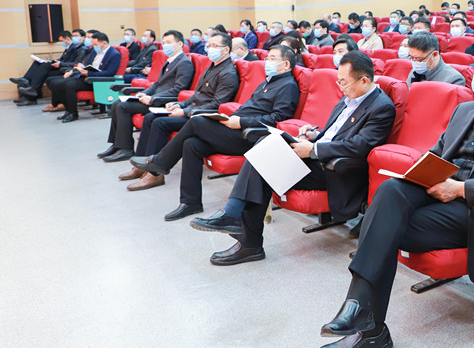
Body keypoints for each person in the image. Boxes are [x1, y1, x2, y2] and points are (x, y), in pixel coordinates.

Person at [317, 42, 474, 348]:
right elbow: (437, 154)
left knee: (381, 227)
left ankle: (364, 319)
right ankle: (363, 317)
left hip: (473, 210)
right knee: (390, 190)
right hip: (437, 192)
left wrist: (461, 189)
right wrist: (419, 175)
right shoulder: (465, 110)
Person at [190, 51, 397, 265]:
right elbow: (335, 133)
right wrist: (315, 135)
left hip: (335, 170)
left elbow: (359, 146)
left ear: (364, 80)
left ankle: (243, 232)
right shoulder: (349, 98)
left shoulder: (381, 107)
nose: (340, 86)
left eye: (344, 82)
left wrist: (314, 149)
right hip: (317, 158)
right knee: (264, 150)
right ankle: (242, 231)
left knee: (263, 162)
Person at [130, 45, 299, 220]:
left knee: (196, 121)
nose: (267, 62)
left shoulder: (288, 86)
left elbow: (278, 119)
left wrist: (241, 122)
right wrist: (229, 118)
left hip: (251, 136)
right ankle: (190, 202)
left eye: (272, 59)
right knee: (191, 144)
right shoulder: (268, 82)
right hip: (235, 127)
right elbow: (250, 109)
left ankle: (161, 162)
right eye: (267, 58)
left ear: (286, 64)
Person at [119, 32, 240, 189]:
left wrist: (185, 111)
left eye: (215, 46)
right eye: (209, 45)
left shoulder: (228, 73)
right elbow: (197, 95)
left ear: (226, 49)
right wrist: (180, 104)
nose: (210, 49)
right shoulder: (212, 67)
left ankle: (154, 174)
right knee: (150, 117)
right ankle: (141, 166)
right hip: (193, 109)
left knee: (160, 123)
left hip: (202, 116)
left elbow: (217, 104)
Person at [98, 30, 195, 162]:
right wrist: (145, 93)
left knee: (123, 107)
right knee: (116, 103)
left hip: (163, 101)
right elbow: (158, 84)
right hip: (154, 98)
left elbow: (179, 89)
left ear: (179, 44)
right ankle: (117, 144)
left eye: (169, 42)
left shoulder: (184, 63)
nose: (165, 45)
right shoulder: (170, 61)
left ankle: (126, 149)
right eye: (164, 42)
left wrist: (152, 98)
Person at [47, 31, 122, 123]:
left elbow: (109, 73)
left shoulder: (114, 54)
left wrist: (88, 73)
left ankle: (73, 113)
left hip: (97, 81)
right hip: (87, 76)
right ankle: (68, 110)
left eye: (96, 44)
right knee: (56, 83)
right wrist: (82, 67)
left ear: (104, 43)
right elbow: (88, 64)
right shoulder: (95, 51)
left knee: (70, 85)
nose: (94, 47)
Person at [13, 30, 87, 106]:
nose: (74, 38)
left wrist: (60, 64)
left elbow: (76, 63)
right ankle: (26, 82)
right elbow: (64, 59)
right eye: (73, 36)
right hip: (63, 66)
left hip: (67, 69)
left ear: (83, 37)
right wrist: (56, 61)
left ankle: (31, 92)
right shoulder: (73, 47)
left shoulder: (82, 49)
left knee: (43, 70)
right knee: (38, 64)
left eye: (76, 36)